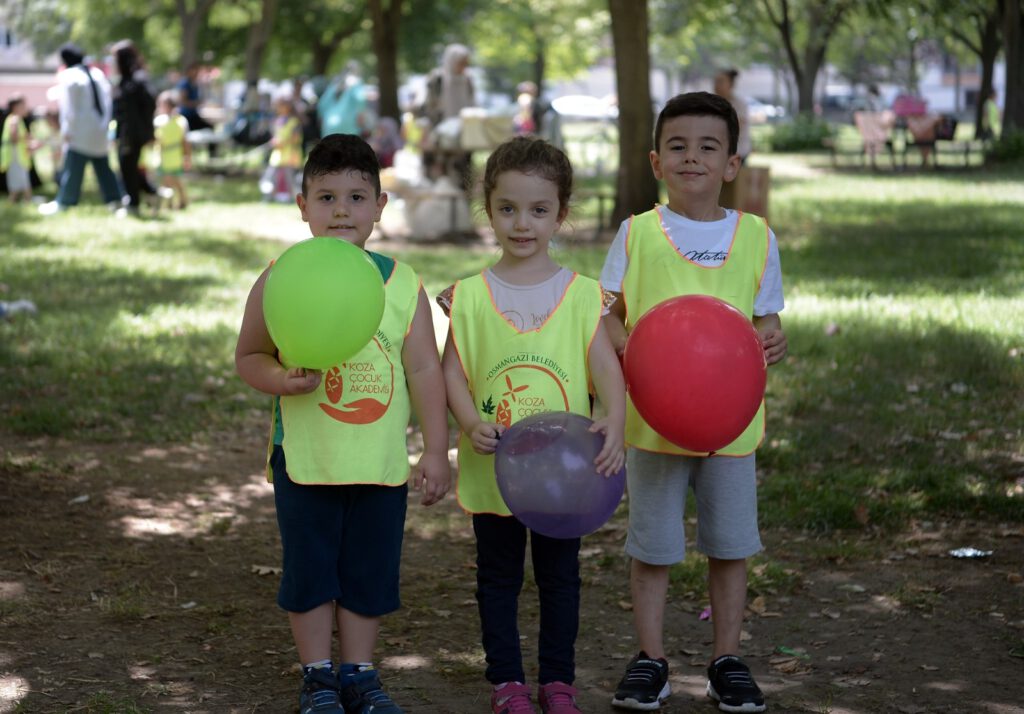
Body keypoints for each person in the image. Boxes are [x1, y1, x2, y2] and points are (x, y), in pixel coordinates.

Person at [235, 133, 449, 714]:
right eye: (325, 197)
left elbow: (425, 368)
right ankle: (317, 677)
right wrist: (280, 380)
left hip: (378, 463)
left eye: (357, 197)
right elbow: (249, 355)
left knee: (368, 572)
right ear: (302, 205)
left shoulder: (404, 284)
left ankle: (358, 673)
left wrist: (435, 450)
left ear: (380, 207)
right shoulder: (282, 274)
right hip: (306, 458)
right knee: (310, 570)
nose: (341, 211)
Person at [600, 92, 787, 713]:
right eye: (677, 146)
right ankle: (650, 660)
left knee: (729, 545)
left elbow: (765, 323)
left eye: (709, 147)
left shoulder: (758, 236)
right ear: (656, 160)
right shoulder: (637, 234)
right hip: (653, 424)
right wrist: (635, 354)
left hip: (730, 428)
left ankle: (725, 660)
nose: (692, 158)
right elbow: (606, 318)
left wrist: (773, 338)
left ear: (732, 163)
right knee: (652, 546)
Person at [438, 136, 626, 714]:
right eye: (509, 209)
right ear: (489, 210)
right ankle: (507, 683)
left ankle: (558, 681)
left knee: (559, 580)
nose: (523, 223)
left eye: (539, 210)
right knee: (497, 578)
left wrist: (613, 421)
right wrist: (469, 423)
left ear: (561, 215)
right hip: (497, 469)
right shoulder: (468, 298)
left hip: (563, 477)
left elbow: (606, 371)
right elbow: (453, 372)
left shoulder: (581, 297)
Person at [39, 43, 123, 215]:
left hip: (80, 130)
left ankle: (65, 201)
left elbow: (68, 107)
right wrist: (105, 125)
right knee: (103, 167)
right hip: (98, 129)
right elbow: (107, 104)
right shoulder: (97, 73)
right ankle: (114, 199)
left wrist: (66, 130)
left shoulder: (70, 76)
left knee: (73, 169)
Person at [111, 39, 157, 216]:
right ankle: (151, 192)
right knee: (128, 167)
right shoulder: (127, 80)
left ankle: (134, 202)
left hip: (132, 133)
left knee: (128, 166)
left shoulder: (137, 80)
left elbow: (148, 104)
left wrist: (143, 130)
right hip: (126, 132)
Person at [421, 43, 475, 189]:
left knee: (461, 179)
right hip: (439, 139)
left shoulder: (468, 80)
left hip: (463, 140)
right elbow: (427, 108)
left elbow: (472, 105)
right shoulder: (437, 79)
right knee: (440, 180)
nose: (464, 67)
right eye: (461, 63)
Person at [259, 94, 304, 203]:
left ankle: (295, 200)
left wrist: (282, 142)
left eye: (280, 105)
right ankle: (267, 198)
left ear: (287, 107)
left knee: (291, 181)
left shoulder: (294, 122)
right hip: (277, 156)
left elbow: (296, 139)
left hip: (290, 156)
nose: (277, 108)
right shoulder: (277, 121)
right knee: (269, 177)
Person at [152, 90, 191, 209]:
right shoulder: (158, 121)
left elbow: (185, 141)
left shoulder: (181, 121)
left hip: (175, 155)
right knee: (165, 181)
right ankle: (168, 203)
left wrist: (187, 157)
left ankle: (182, 201)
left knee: (176, 180)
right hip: (163, 155)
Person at [317, 62, 370, 139]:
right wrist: (361, 120)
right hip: (348, 126)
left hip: (329, 125)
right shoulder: (356, 82)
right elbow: (360, 99)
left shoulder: (335, 83)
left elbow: (322, 104)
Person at [1, 95, 35, 203]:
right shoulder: (14, 119)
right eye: (23, 105)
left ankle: (19, 199)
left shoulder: (15, 119)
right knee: (21, 178)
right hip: (15, 155)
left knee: (17, 179)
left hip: (16, 155)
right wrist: (26, 137)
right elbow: (14, 138)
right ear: (15, 107)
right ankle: (27, 199)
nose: (26, 108)